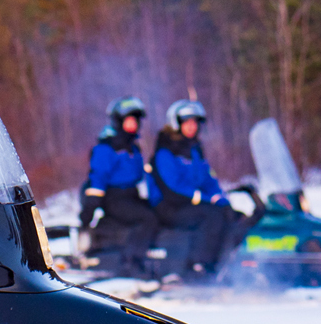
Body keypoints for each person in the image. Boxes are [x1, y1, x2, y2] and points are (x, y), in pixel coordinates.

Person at [150, 99, 238, 279]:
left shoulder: (195, 151)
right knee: (211, 215)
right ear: (177, 123)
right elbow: (173, 188)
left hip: (189, 203)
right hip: (169, 206)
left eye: (195, 123)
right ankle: (199, 265)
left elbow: (207, 179)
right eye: (187, 123)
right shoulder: (166, 152)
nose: (192, 127)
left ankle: (227, 265)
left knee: (229, 214)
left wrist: (220, 199)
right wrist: (204, 199)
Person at [80, 96, 159, 277]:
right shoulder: (107, 147)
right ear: (118, 121)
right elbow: (98, 177)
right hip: (113, 198)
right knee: (147, 218)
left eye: (135, 121)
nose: (133, 125)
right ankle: (131, 262)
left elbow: (140, 175)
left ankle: (151, 257)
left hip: (131, 195)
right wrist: (89, 209)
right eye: (128, 121)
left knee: (157, 213)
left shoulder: (133, 148)